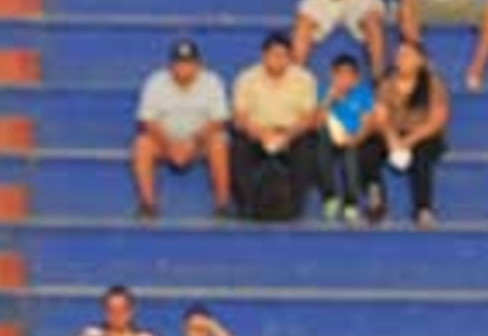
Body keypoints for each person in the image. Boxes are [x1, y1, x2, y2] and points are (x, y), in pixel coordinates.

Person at [130, 38, 232, 221]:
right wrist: (170, 145)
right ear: (170, 66)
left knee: (219, 142)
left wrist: (193, 142)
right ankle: (148, 204)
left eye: (189, 63)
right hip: (165, 141)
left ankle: (222, 203)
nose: (183, 68)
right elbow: (147, 121)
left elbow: (218, 121)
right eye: (179, 63)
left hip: (200, 141)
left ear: (198, 65)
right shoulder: (155, 82)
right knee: (142, 144)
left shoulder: (212, 81)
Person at [230, 31, 320, 220]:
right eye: (274, 55)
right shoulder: (246, 78)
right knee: (238, 144)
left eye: (283, 55)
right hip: (257, 133)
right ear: (264, 56)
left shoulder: (304, 79)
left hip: (291, 134)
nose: (278, 60)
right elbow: (239, 118)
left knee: (307, 145)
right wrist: (263, 135)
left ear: (290, 57)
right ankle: (247, 205)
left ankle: (294, 208)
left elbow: (308, 118)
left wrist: (286, 137)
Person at [362, 39, 451, 227]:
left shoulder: (433, 84)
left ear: (420, 61)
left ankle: (423, 209)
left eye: (407, 55)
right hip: (392, 133)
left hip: (422, 134)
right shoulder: (386, 83)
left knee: (423, 155)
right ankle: (376, 201)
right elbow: (380, 117)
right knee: (368, 149)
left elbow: (436, 122)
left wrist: (408, 141)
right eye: (399, 55)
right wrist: (391, 138)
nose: (401, 59)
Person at [315, 52, 376, 224]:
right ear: (332, 76)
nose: (344, 79)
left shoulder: (363, 93)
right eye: (340, 74)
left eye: (349, 75)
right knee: (321, 149)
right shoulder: (324, 92)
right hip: (328, 136)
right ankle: (330, 196)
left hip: (354, 136)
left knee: (351, 156)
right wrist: (329, 100)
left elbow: (368, 122)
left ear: (356, 78)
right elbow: (316, 123)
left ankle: (351, 202)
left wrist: (355, 138)